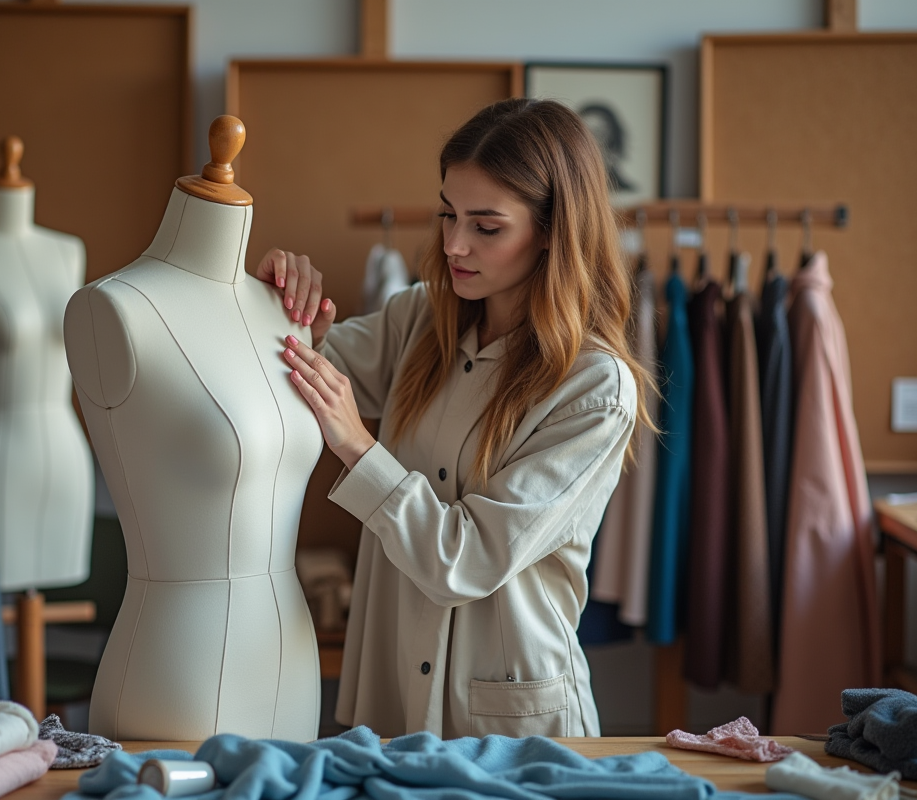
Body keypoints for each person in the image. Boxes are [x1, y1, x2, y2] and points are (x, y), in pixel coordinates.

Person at [256, 98, 653, 738]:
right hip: (392, 703)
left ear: (553, 229)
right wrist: (285, 312)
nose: (454, 244)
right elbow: (289, 374)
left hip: (512, 725)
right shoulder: (417, 319)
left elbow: (464, 560)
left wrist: (359, 447)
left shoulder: (592, 388)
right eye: (447, 214)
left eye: (486, 226)